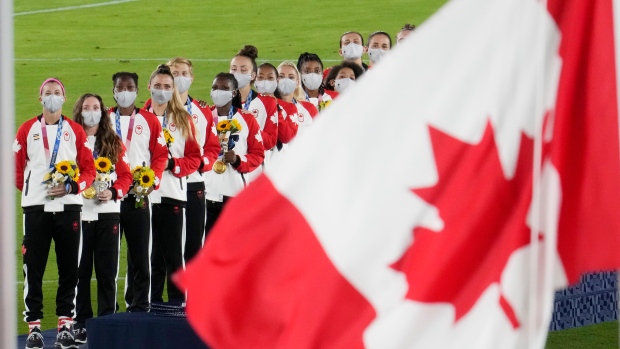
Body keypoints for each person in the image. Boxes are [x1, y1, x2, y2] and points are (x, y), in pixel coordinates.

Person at [15, 78, 96, 349]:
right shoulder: (27, 129)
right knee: (33, 269)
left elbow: (89, 170)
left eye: (57, 92)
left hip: (68, 208)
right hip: (36, 208)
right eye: (47, 93)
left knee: (69, 268)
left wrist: (72, 187)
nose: (52, 96)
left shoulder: (75, 131)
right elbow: (16, 170)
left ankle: (65, 324)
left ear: (63, 97)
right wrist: (32, 192)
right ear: (40, 99)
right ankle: (35, 327)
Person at [72, 93, 133, 344]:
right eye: (86, 107)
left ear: (102, 111)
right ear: (79, 111)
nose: (91, 111)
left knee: (107, 273)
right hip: (78, 212)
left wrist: (114, 191)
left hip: (108, 214)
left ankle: (107, 320)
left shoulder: (113, 141)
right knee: (80, 272)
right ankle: (81, 323)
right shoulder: (70, 139)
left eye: (95, 107)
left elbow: (126, 176)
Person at [109, 72, 168, 313]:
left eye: (129, 87)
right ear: (113, 90)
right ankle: (108, 308)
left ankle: (140, 304)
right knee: (108, 256)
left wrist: (151, 182)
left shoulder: (150, 120)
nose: (124, 91)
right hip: (109, 198)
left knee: (140, 254)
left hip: (138, 196)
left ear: (137, 90)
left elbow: (161, 155)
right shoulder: (103, 119)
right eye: (120, 87)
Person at [145, 64, 201, 304]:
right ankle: (149, 307)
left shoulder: (183, 120)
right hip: (143, 198)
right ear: (149, 87)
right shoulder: (138, 119)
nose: (162, 90)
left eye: (167, 86)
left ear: (173, 90)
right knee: (148, 258)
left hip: (171, 195)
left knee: (174, 259)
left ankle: (177, 308)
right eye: (157, 86)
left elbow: (195, 159)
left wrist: (172, 165)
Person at [163, 57, 219, 264]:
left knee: (194, 243)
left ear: (192, 78)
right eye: (175, 73)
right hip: (164, 185)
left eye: (184, 73)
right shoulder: (155, 108)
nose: (180, 78)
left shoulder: (203, 111)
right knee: (160, 245)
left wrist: (201, 163)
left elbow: (213, 148)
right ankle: (150, 296)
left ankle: (192, 296)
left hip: (194, 184)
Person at [204, 73, 264, 236]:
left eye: (224, 88)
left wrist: (238, 160)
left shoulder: (247, 119)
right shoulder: (204, 117)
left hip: (234, 193)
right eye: (215, 88)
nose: (218, 92)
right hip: (206, 193)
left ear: (234, 92)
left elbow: (258, 155)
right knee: (205, 249)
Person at [245, 62, 280, 181]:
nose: (265, 81)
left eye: (270, 78)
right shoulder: (242, 101)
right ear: (254, 79)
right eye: (261, 77)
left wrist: (250, 129)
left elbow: (271, 141)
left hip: (265, 165)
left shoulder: (282, 107)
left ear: (277, 80)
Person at [276, 61, 318, 144]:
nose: (286, 80)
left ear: (297, 83)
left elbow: (319, 137)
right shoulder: (267, 106)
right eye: (281, 76)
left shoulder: (309, 109)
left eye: (291, 77)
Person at [230, 45, 260, 110]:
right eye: (234, 69)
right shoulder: (222, 103)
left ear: (252, 75)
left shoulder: (266, 104)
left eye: (243, 70)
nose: (237, 73)